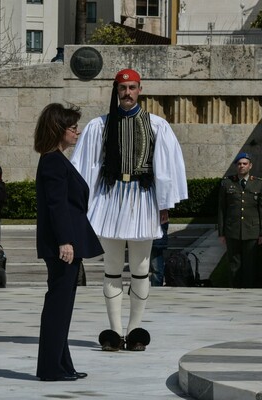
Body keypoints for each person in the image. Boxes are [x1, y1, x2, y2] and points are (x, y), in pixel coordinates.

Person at [71, 69, 188, 352]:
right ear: (116, 90)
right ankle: (113, 332)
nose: (127, 93)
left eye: (132, 88)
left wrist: (164, 205)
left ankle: (135, 330)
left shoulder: (156, 125)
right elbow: (86, 168)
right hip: (111, 198)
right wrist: (82, 205)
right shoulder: (100, 126)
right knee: (111, 268)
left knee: (140, 268)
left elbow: (165, 169)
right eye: (123, 88)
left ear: (140, 89)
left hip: (142, 198)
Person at [34, 103, 104, 382]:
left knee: (63, 307)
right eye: (72, 127)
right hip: (62, 245)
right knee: (58, 306)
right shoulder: (52, 160)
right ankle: (51, 368)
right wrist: (65, 241)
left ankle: (62, 365)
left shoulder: (58, 159)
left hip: (68, 242)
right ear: (57, 130)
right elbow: (57, 205)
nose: (77, 131)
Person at [218, 152, 262, 288]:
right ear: (236, 166)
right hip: (232, 230)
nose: (241, 166)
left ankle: (249, 291)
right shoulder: (227, 183)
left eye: (244, 164)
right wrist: (221, 233)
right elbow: (222, 209)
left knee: (250, 264)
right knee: (234, 264)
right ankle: (234, 289)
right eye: (239, 164)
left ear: (250, 166)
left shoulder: (258, 183)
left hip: (252, 230)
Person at [149, 222, 169, 286]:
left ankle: (156, 287)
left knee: (156, 269)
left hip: (155, 239)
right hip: (155, 239)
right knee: (156, 269)